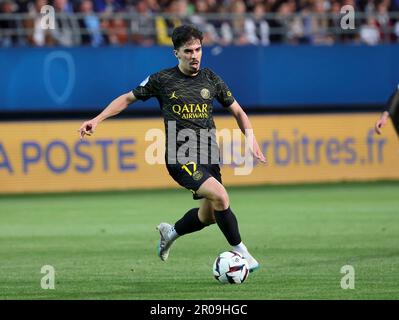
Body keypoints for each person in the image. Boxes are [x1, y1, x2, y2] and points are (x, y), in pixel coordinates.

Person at [78, 25, 266, 272]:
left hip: (209, 156)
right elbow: (126, 98)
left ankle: (171, 233)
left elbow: (238, 112)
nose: (194, 55)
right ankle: (244, 254)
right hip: (181, 156)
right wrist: (97, 119)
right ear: (176, 53)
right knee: (221, 196)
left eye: (198, 49)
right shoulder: (162, 80)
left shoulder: (212, 79)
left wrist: (250, 137)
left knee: (209, 215)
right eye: (188, 51)